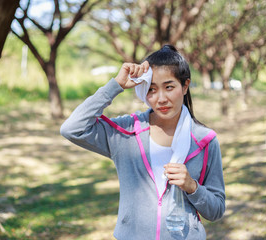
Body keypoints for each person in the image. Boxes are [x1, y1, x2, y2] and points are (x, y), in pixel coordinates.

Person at [60, 45, 225, 239]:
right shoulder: (126, 132)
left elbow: (216, 210)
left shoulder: (205, 140)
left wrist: (192, 186)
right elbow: (72, 128)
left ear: (185, 85)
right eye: (151, 89)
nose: (161, 98)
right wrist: (116, 85)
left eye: (169, 87)